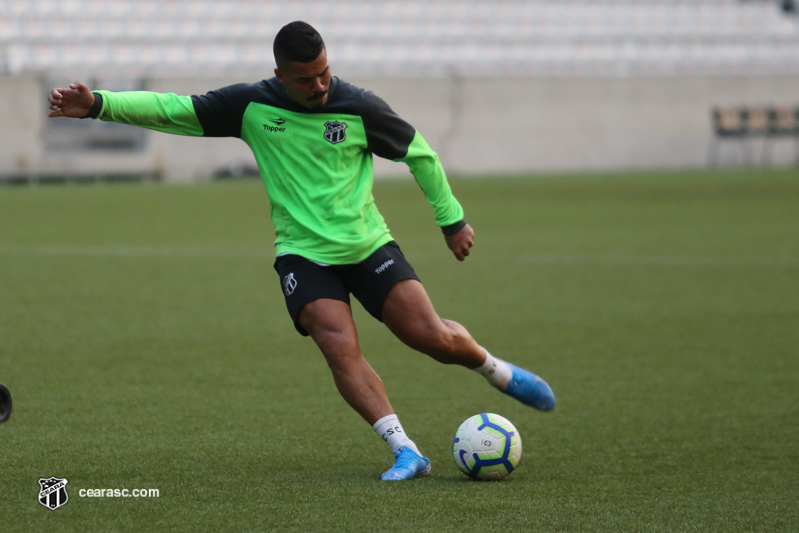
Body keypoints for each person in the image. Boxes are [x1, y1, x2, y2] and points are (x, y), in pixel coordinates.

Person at [48, 21, 555, 481]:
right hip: (302, 255)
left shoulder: (359, 106)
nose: (320, 86)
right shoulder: (250, 106)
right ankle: (405, 451)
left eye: (325, 73)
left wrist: (453, 220)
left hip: (367, 245)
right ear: (279, 75)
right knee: (337, 344)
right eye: (306, 78)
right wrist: (98, 105)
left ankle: (494, 369)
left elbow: (419, 154)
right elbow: (175, 110)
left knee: (431, 337)